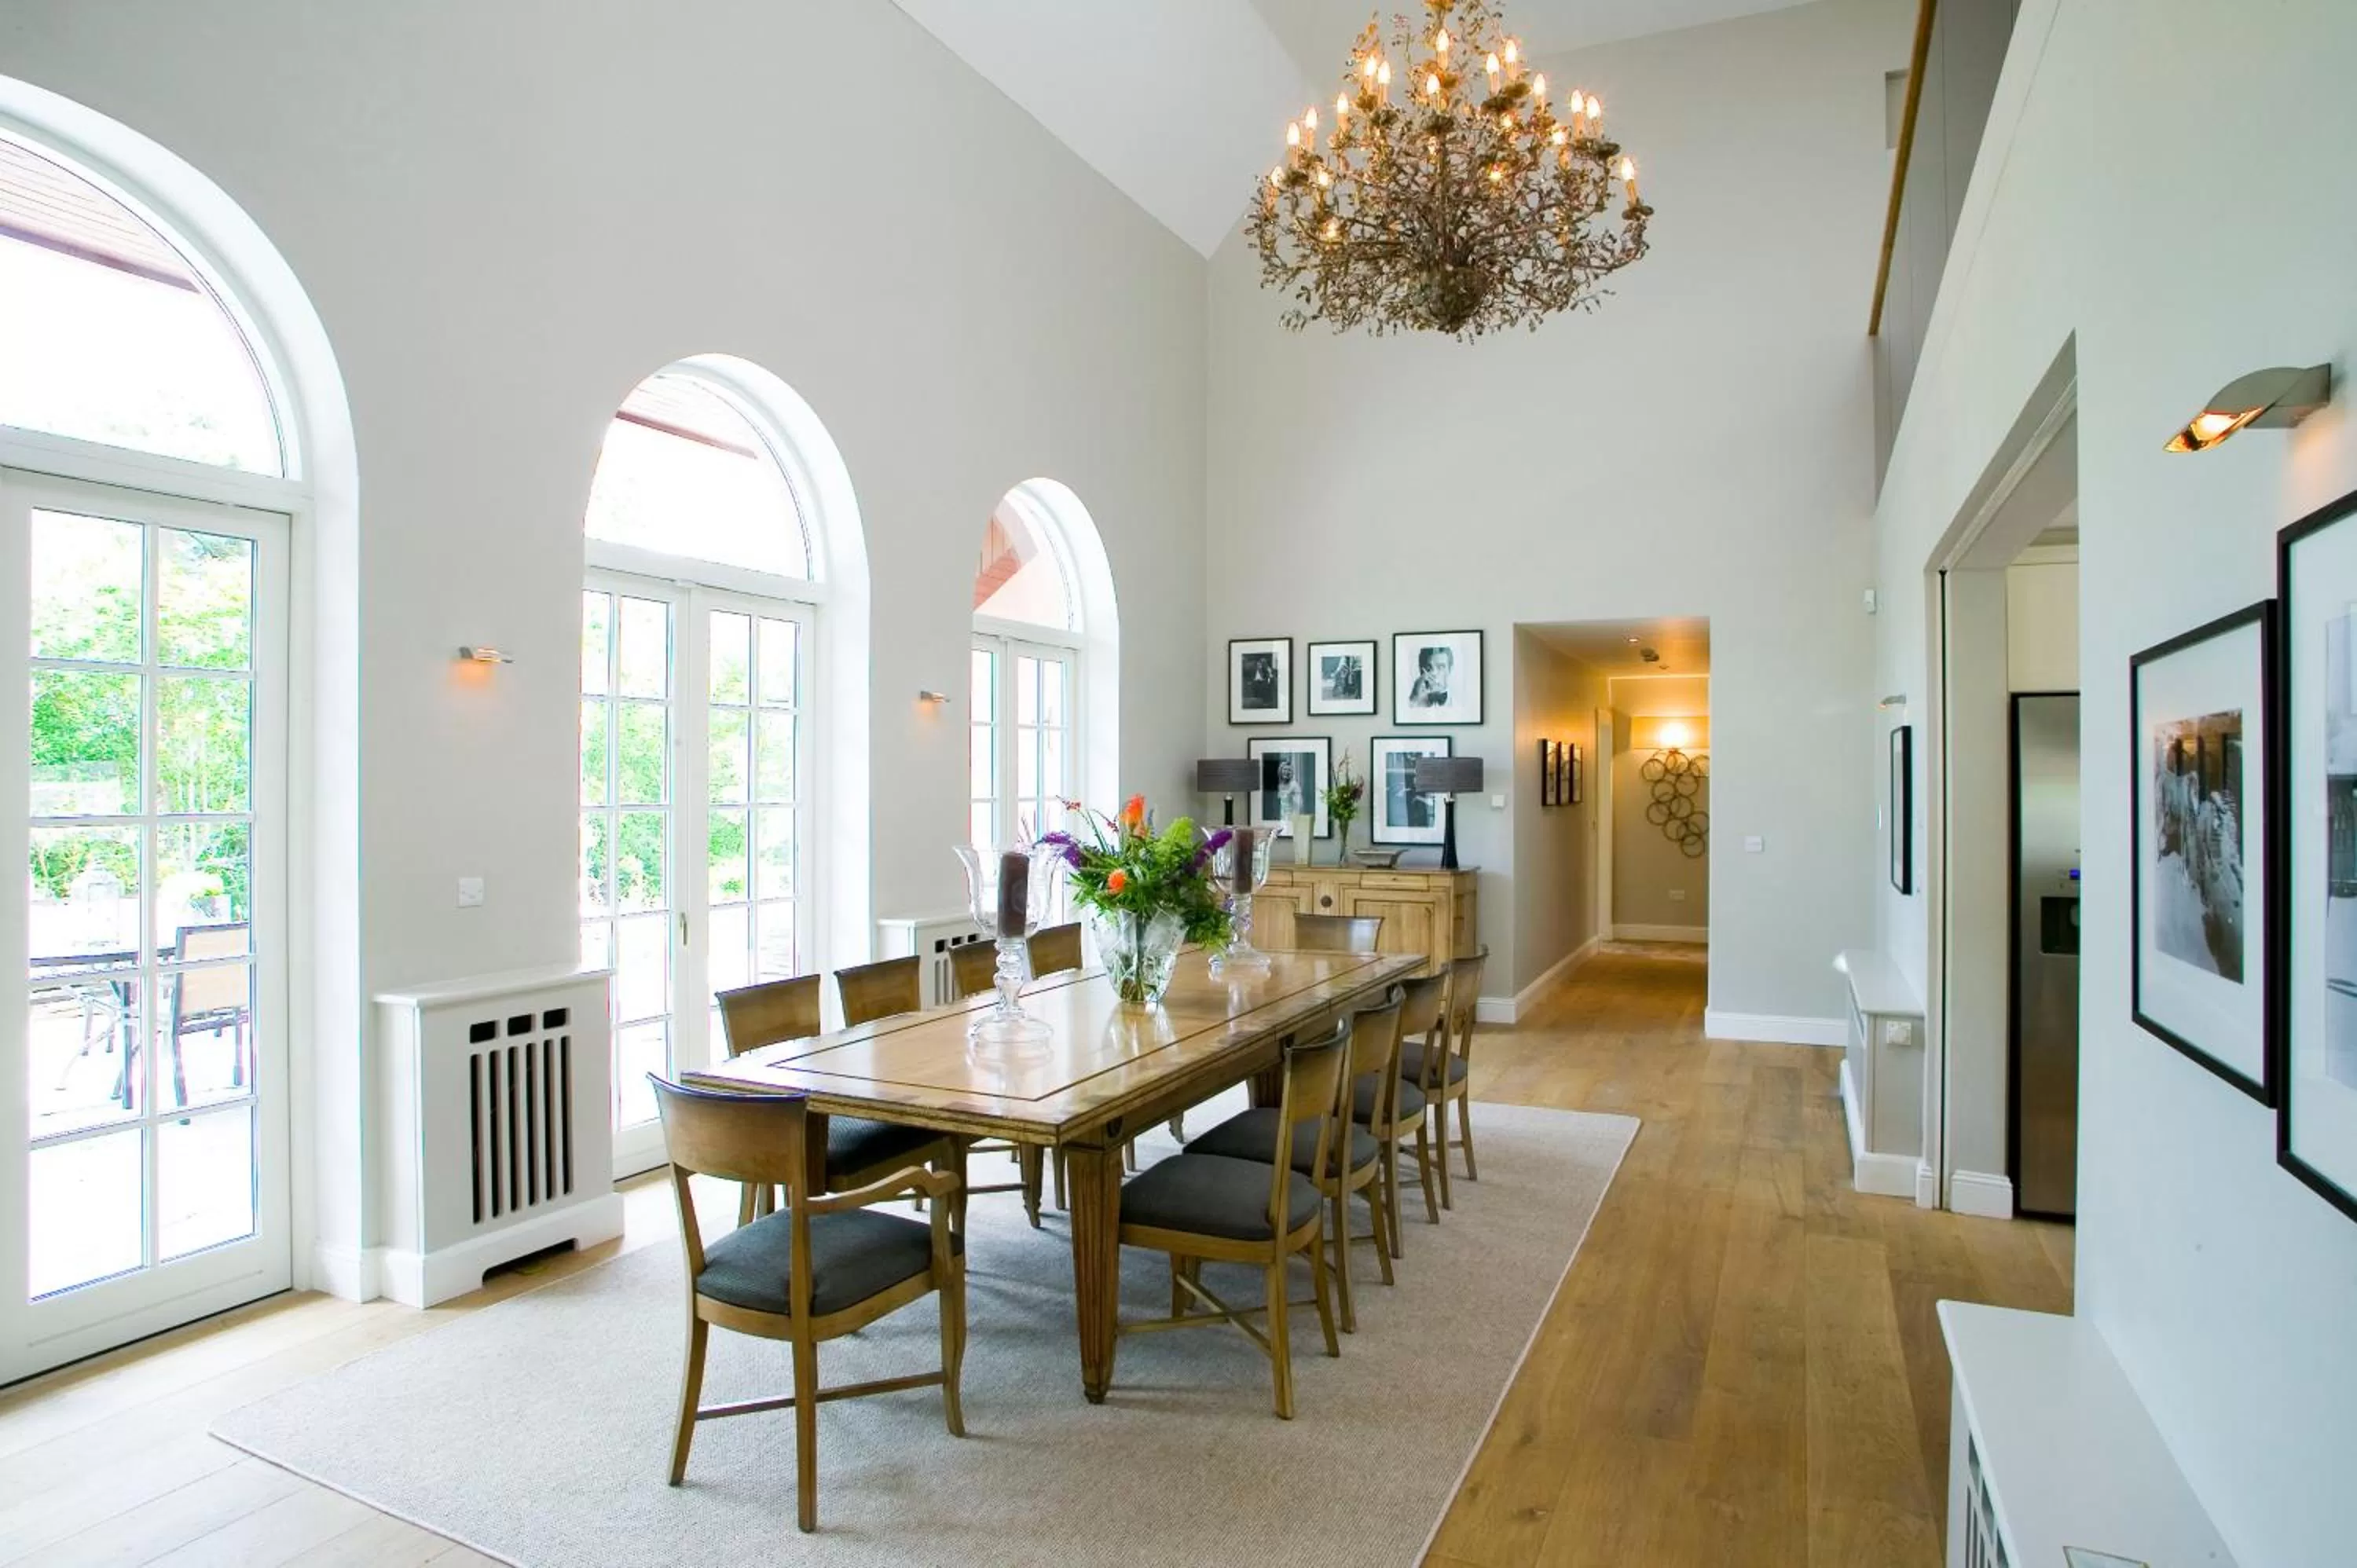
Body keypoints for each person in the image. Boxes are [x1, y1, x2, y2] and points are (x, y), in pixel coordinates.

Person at [1409, 644, 1454, 709]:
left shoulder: (1460, 706)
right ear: (1421, 670)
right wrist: (1414, 698)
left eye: (1441, 667)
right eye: (1428, 668)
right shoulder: (1413, 703)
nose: (1434, 673)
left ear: (1450, 670)